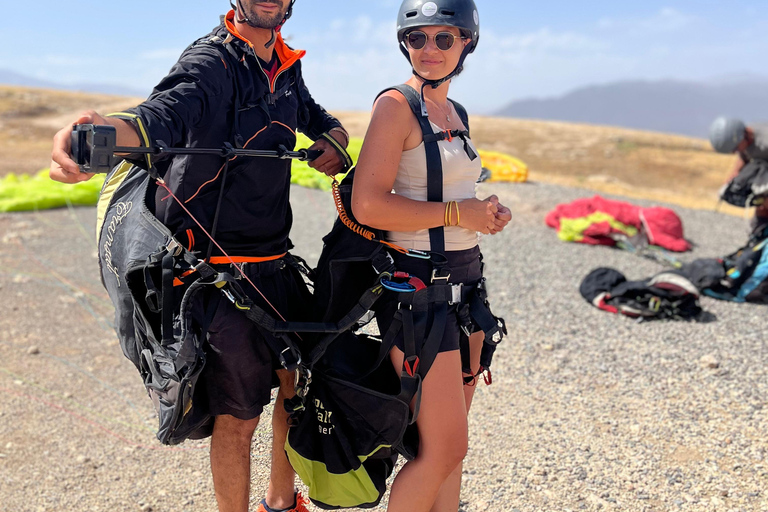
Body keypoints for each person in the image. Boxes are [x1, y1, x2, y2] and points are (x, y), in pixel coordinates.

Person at [49, 1, 350, 511]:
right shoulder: (211, 62)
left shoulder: (285, 64)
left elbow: (318, 117)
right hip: (215, 276)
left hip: (275, 265)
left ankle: (282, 502)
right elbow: (157, 118)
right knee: (239, 417)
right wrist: (96, 136)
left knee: (297, 389)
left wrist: (334, 142)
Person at [351, 1, 511, 510]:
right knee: (444, 447)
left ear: (467, 42)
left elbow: (450, 193)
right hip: (417, 292)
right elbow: (368, 203)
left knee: (451, 449)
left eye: (445, 38)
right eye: (418, 38)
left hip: (466, 285)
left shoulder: (455, 114)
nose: (430, 49)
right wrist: (456, 215)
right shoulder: (395, 106)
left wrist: (484, 212)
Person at [709, 117, 768, 230]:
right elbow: (744, 157)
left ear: (743, 136)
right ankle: (760, 233)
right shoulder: (744, 142)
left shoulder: (765, 139)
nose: (735, 152)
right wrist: (733, 177)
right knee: (760, 203)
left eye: (735, 148)